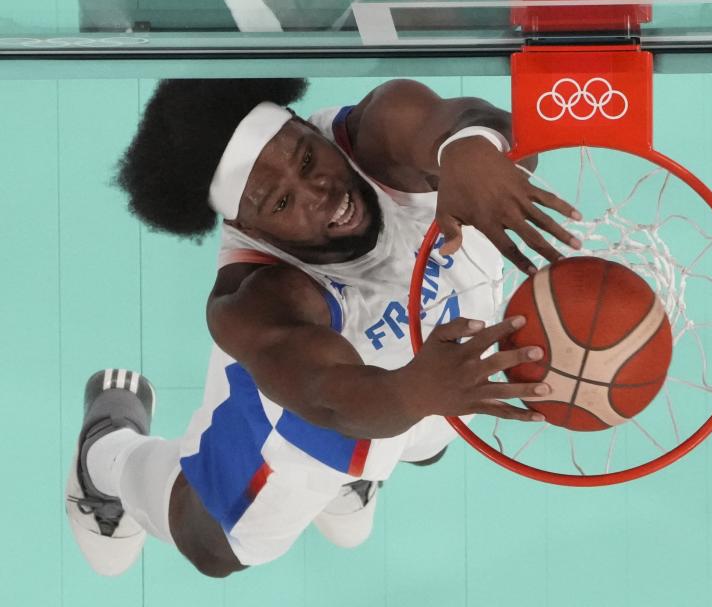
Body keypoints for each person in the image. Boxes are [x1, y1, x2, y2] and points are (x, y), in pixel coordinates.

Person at [65, 77, 582, 577]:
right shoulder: (257, 302)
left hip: (425, 366)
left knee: (428, 445)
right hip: (325, 409)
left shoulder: (379, 133)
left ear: (306, 126)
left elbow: (456, 120)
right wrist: (413, 392)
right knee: (218, 548)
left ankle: (360, 472)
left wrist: (472, 149)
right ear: (248, 227)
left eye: (307, 158)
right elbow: (329, 397)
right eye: (282, 203)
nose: (318, 192)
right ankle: (105, 455)